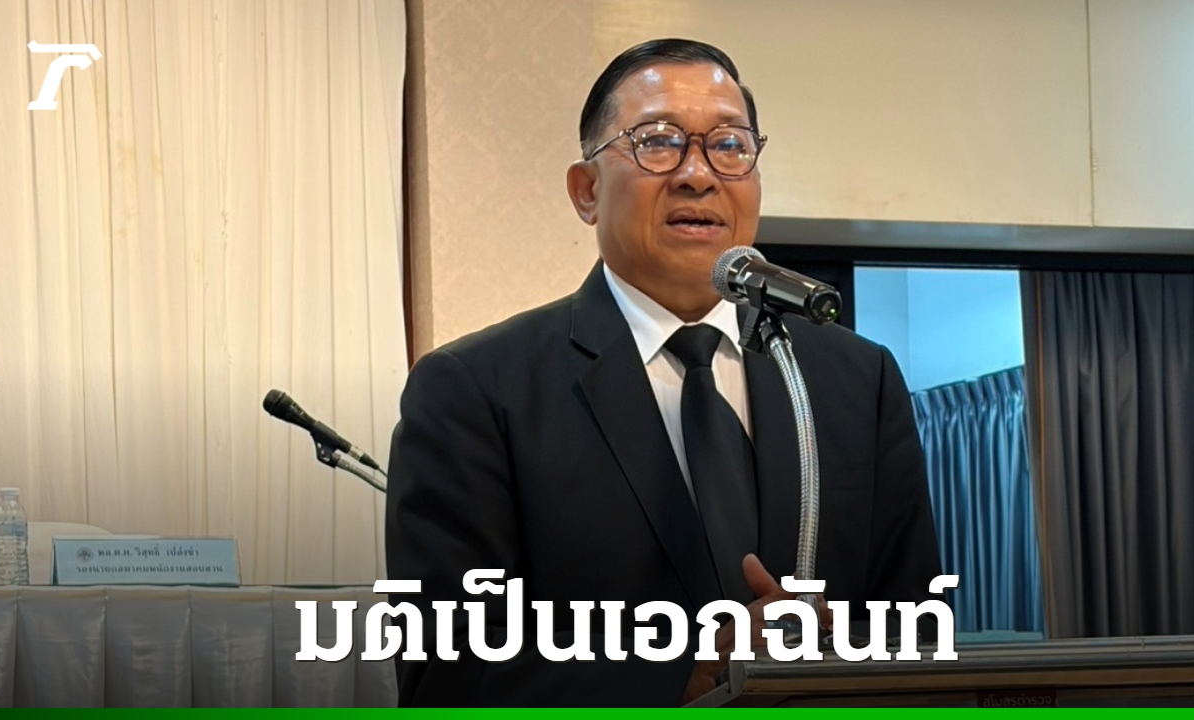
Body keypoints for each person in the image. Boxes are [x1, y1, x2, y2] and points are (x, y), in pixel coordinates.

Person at [385, 38, 941, 707]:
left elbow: (918, 631)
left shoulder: (855, 378)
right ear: (587, 190)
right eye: (658, 142)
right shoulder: (476, 389)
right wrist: (684, 675)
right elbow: (444, 671)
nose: (698, 175)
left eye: (729, 145)